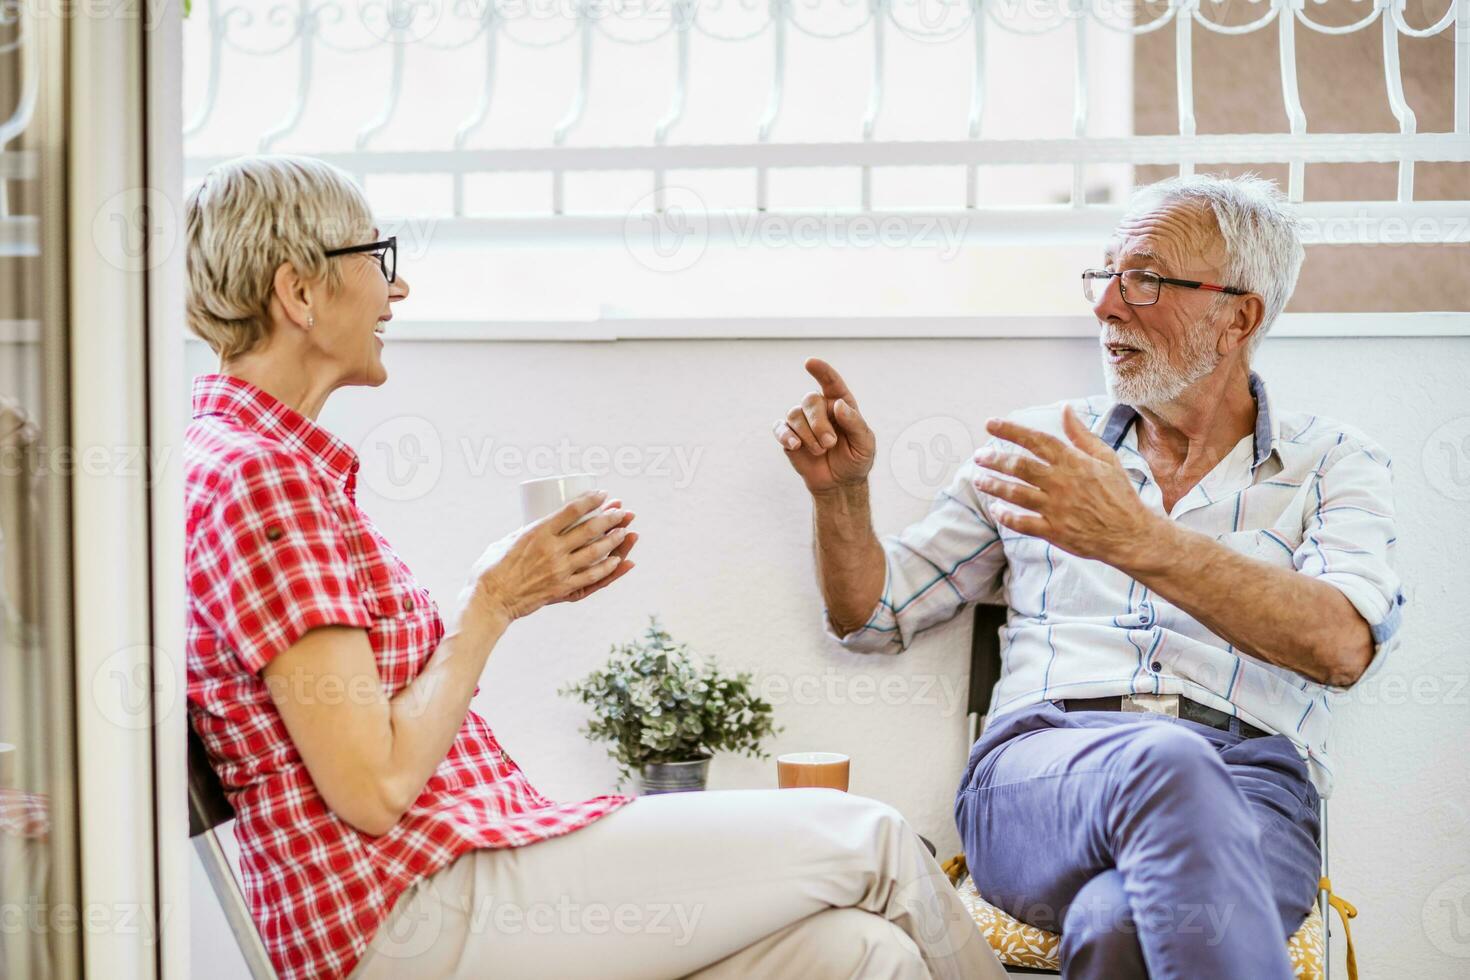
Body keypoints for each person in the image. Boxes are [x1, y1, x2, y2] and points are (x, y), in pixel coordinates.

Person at [184, 154, 1004, 980]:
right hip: (409, 905)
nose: (397, 292)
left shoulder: (256, 462)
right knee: (875, 839)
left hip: (448, 883)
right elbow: (374, 787)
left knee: (864, 954)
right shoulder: (261, 478)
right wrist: (493, 600)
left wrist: (513, 593)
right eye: (376, 260)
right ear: (298, 292)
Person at [774, 174, 1404, 978]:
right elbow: (872, 615)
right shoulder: (1038, 450)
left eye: (1144, 279)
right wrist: (842, 496)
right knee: (1163, 762)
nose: (1106, 305)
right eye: (1103, 277)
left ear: (1238, 315)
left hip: (1251, 783)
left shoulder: (1335, 464)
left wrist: (1138, 539)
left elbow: (1341, 645)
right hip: (1043, 775)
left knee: (1118, 925)